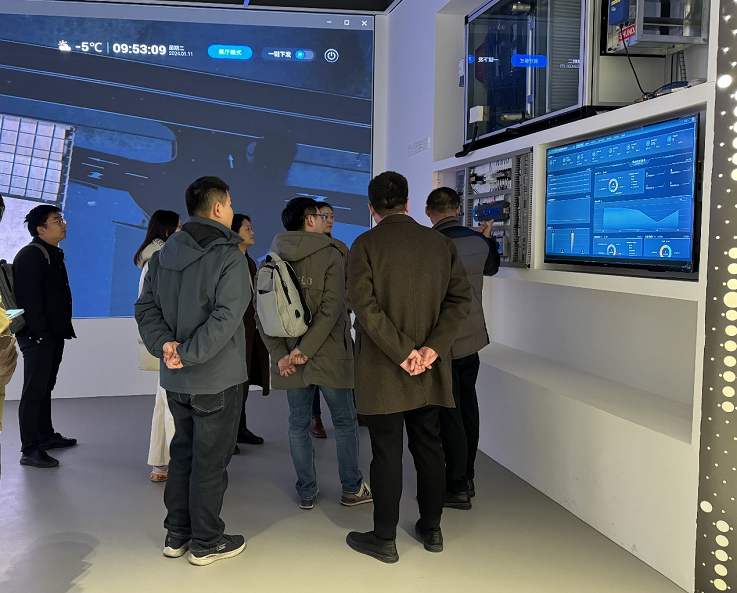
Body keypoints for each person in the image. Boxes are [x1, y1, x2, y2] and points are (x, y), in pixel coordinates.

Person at [346, 171, 471, 563]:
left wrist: (402, 353)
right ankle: (432, 530)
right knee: (429, 446)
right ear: (408, 202)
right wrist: (432, 349)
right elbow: (460, 301)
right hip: (429, 368)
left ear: (371, 208)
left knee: (385, 452)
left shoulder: (364, 245)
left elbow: (363, 306)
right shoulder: (440, 244)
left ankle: (384, 539)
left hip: (382, 367)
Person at [135, 176, 250, 566]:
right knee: (209, 462)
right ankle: (206, 541)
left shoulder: (163, 254)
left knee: (182, 454)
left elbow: (145, 309)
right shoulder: (229, 255)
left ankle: (176, 534)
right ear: (217, 208)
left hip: (176, 378)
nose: (231, 210)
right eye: (229, 204)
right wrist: (189, 353)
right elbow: (227, 316)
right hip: (215, 378)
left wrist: (166, 346)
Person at [255, 197, 372, 510]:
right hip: (330, 352)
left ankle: (306, 492)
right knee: (345, 422)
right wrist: (306, 351)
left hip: (289, 358)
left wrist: (282, 354)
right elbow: (333, 308)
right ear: (309, 219)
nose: (326, 220)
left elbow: (261, 313)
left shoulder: (269, 259)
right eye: (322, 216)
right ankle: (352, 489)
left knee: (297, 424)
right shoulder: (331, 253)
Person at [426, 187, 499, 509]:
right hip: (474, 338)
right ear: (458, 209)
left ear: (428, 211)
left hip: (445, 342)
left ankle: (455, 485)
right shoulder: (479, 242)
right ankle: (467, 476)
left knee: (449, 413)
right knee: (469, 406)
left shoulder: (430, 244)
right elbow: (491, 267)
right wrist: (487, 238)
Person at [14, 205, 77, 469]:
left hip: (51, 333)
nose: (62, 224)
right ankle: (30, 449)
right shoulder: (31, 255)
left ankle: (46, 436)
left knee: (45, 386)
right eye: (56, 220)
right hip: (37, 336)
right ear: (40, 229)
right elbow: (28, 299)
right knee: (34, 391)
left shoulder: (50, 253)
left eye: (61, 219)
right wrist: (40, 334)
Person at [309, 201, 366, 438]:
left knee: (348, 364)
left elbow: (351, 281)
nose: (330, 220)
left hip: (340, 319)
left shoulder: (342, 247)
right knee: (312, 371)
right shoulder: (306, 248)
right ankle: (315, 417)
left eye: (332, 216)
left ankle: (357, 408)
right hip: (312, 322)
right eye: (324, 216)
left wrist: (346, 306)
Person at [134, 210, 181, 482]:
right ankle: (174, 465)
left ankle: (161, 464)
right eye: (179, 226)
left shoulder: (152, 258)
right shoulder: (161, 260)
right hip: (168, 342)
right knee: (172, 405)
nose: (183, 230)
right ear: (166, 231)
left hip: (161, 340)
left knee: (164, 403)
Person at [231, 213, 270, 449]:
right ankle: (229, 435)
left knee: (243, 381)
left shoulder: (249, 261)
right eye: (247, 228)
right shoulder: (229, 261)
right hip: (235, 333)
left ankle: (240, 429)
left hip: (250, 331)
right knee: (234, 383)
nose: (252, 232)